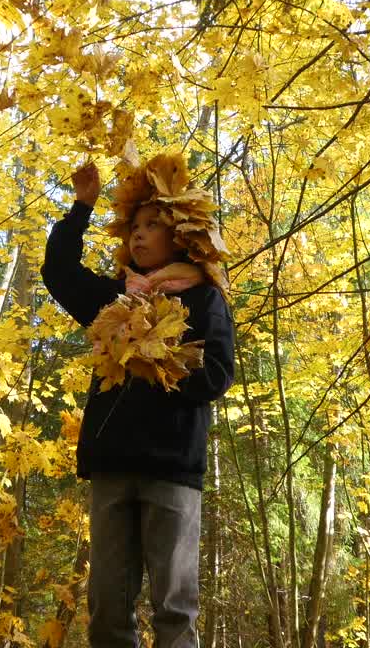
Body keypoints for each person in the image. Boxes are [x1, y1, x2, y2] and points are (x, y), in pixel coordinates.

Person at [40, 156, 236, 648]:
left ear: (180, 237)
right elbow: (59, 272)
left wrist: (154, 352)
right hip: (111, 466)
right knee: (107, 608)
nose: (139, 236)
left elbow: (216, 374)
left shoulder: (205, 300)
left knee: (173, 608)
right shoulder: (113, 297)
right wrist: (81, 208)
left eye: (153, 226)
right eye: (135, 228)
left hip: (172, 468)